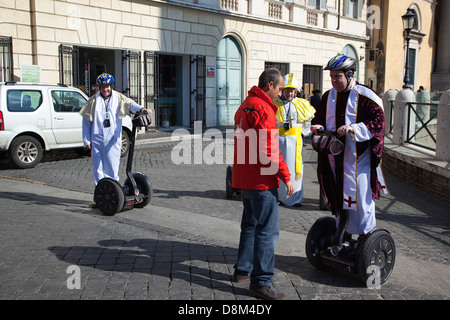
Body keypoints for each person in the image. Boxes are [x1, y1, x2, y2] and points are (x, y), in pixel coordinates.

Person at [231, 68, 294, 300]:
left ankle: (243, 270)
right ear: (269, 84)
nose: (281, 92)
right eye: (279, 88)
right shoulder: (263, 107)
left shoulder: (246, 103)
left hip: (245, 177)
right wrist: (286, 176)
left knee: (250, 225)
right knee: (267, 231)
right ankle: (262, 282)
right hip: (260, 180)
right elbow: (269, 150)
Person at [310, 54, 388, 240]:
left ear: (350, 74)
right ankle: (342, 231)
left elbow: (379, 122)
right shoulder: (329, 96)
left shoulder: (365, 95)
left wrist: (353, 128)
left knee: (359, 196)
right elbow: (319, 116)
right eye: (332, 77)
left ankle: (365, 235)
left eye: (338, 76)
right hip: (334, 156)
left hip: (357, 157)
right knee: (338, 193)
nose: (334, 80)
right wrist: (317, 125)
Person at [79, 73, 151, 207]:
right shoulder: (93, 101)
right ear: (99, 87)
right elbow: (86, 122)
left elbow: (130, 105)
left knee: (112, 168)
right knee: (98, 170)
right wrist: (86, 140)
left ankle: (116, 195)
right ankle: (98, 196)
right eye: (102, 87)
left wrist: (142, 109)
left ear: (110, 86)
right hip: (97, 139)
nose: (104, 89)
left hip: (113, 139)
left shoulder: (118, 98)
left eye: (106, 86)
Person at [274, 73, 316, 207]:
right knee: (281, 167)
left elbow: (308, 120)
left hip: (295, 141)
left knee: (296, 170)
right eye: (287, 91)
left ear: (295, 91)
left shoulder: (302, 104)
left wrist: (304, 132)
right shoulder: (276, 104)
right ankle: (280, 196)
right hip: (280, 141)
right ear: (283, 91)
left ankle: (295, 198)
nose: (289, 94)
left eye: (292, 91)